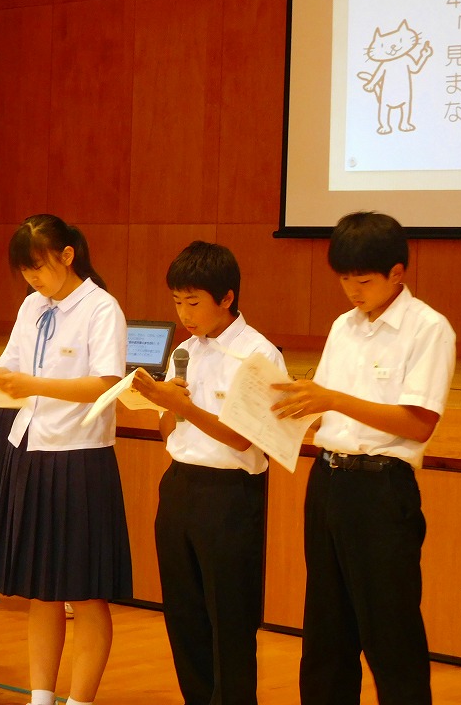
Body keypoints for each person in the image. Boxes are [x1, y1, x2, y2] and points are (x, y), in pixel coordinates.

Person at [271, 212, 456, 705]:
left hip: (381, 489)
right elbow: (326, 410)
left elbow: (419, 423)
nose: (353, 290)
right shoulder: (343, 326)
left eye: (364, 280)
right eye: (344, 279)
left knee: (391, 632)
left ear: (398, 272)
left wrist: (332, 399)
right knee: (326, 630)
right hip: (328, 481)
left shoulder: (428, 328)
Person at [0, 214, 131, 705]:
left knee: (85, 592)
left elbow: (106, 384)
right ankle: (41, 696)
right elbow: (11, 367)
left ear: (67, 255)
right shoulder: (32, 307)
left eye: (39, 267)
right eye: (25, 271)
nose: (33, 279)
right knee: (40, 589)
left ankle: (79, 699)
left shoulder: (101, 308)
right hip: (31, 451)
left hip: (80, 458)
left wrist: (32, 384)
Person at [132, 241, 286, 705]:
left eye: (193, 302)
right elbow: (169, 430)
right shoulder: (185, 350)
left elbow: (243, 439)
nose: (184, 313)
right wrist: (166, 404)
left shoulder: (258, 354)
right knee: (184, 616)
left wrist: (183, 407)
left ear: (227, 297)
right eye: (177, 301)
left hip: (230, 495)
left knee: (229, 619)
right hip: (180, 486)